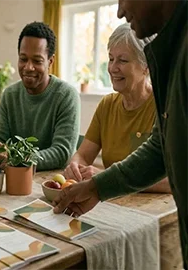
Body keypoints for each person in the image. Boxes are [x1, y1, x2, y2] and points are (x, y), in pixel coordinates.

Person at [53, 0, 188, 266]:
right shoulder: (175, 47)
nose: (119, 11)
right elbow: (161, 149)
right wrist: (96, 187)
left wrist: (99, 182)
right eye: (111, 59)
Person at [63, 24, 171, 193]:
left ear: (146, 66)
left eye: (123, 60)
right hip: (112, 203)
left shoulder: (164, 105)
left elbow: (171, 178)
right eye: (111, 58)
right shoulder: (107, 105)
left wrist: (107, 179)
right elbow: (83, 155)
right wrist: (75, 166)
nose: (113, 68)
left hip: (153, 211)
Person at [0, 22, 80, 171]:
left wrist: (16, 158)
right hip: (16, 177)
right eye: (23, 59)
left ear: (50, 61)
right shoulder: (10, 95)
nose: (28, 67)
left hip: (53, 182)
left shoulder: (66, 95)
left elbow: (62, 152)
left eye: (37, 61)